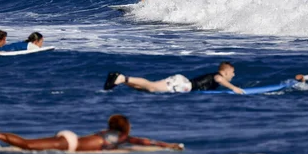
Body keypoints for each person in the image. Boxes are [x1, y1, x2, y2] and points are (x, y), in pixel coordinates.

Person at [0, 114, 184, 152]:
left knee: (31, 144)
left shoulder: (107, 133)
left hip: (70, 139)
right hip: (69, 144)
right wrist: (169, 146)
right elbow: (145, 141)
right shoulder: (120, 137)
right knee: (29, 145)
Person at [103, 61, 245, 94]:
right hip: (184, 84)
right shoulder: (219, 76)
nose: (234, 75)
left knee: (148, 89)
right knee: (151, 86)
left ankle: (120, 81)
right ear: (226, 72)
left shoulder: (217, 75)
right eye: (232, 72)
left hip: (182, 84)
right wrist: (235, 89)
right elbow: (219, 80)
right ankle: (122, 78)